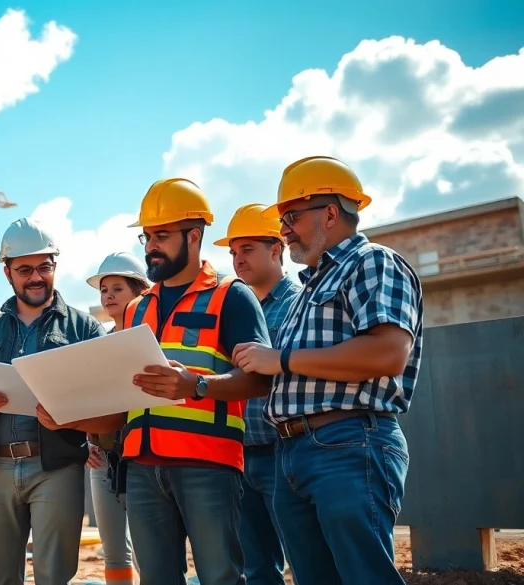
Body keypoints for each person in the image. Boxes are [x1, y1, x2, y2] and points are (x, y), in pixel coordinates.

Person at [63, 178, 274, 585]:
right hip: (141, 466)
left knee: (220, 577)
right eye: (147, 236)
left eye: (162, 235)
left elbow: (258, 380)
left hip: (207, 464)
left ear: (193, 236)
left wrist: (195, 385)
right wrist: (74, 417)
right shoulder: (136, 309)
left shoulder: (231, 295)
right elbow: (122, 400)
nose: (150, 246)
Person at [233, 156, 423, 585]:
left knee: (363, 576)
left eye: (291, 217)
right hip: (295, 451)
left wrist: (279, 359)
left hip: (348, 442)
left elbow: (388, 353)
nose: (284, 229)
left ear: (331, 213)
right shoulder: (312, 286)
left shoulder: (373, 262)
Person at [0, 218, 106, 585]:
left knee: (54, 575)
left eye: (44, 267)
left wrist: (70, 418)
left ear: (55, 266)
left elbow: (108, 403)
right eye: (24, 269)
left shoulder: (83, 329)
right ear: (7, 272)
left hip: (56, 466)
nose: (36, 277)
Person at [214, 204, 299, 585]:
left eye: (247, 249)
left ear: (276, 249)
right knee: (257, 569)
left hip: (285, 452)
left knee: (307, 559)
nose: (237, 260)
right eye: (233, 252)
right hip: (239, 455)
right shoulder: (237, 309)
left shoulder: (300, 305)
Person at [83, 251, 150, 585]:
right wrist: (88, 443)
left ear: (139, 292)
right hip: (104, 459)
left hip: (144, 459)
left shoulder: (153, 340)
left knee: (148, 550)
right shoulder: (99, 343)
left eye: (116, 288)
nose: (107, 295)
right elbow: (90, 403)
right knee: (114, 551)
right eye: (103, 289)